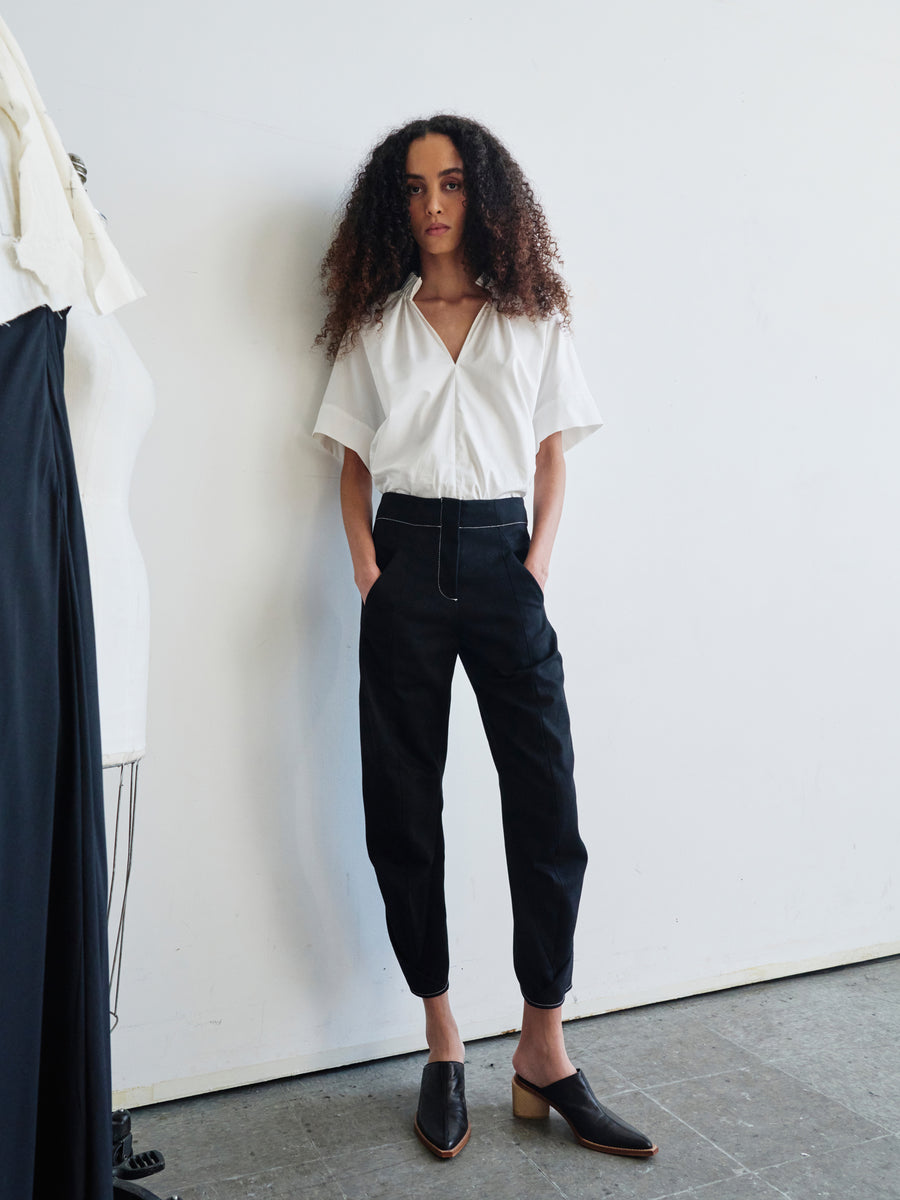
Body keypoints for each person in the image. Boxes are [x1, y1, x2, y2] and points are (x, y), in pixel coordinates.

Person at [313, 114, 657, 1162]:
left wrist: (537, 564)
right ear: (394, 201)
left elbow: (553, 453)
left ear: (483, 195)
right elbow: (353, 461)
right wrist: (373, 574)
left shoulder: (531, 315)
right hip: (406, 560)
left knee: (545, 803)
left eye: (452, 183)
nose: (433, 206)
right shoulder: (377, 320)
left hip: (506, 559)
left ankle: (543, 1050)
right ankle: (445, 1040)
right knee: (404, 804)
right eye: (415, 187)